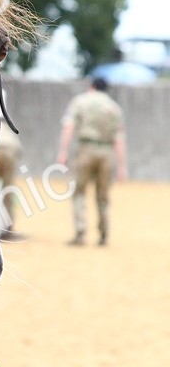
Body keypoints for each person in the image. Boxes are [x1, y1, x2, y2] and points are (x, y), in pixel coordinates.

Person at [57, 75, 127, 246]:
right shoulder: (114, 108)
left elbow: (69, 126)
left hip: (85, 150)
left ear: (91, 86)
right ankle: (104, 234)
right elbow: (119, 138)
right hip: (106, 152)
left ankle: (80, 232)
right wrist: (122, 166)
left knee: (79, 192)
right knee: (103, 195)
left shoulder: (80, 102)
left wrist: (63, 152)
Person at [0, 121, 25, 241]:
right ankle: (9, 229)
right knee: (8, 192)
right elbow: (19, 150)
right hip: (11, 152)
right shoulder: (8, 128)